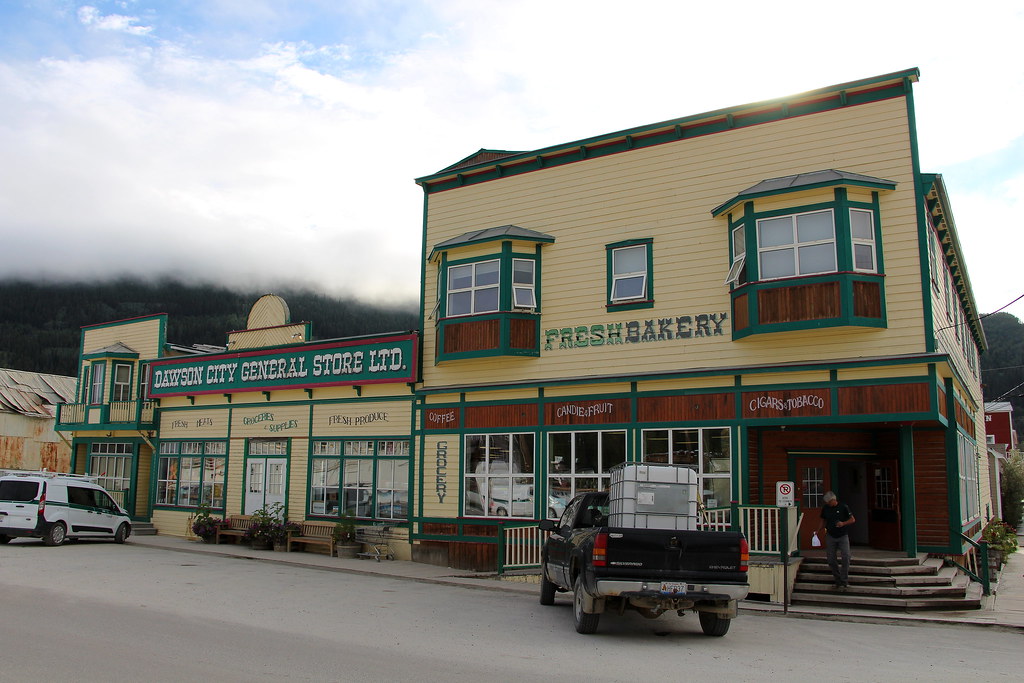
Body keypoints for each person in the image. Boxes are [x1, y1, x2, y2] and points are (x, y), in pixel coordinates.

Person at [815, 491, 856, 589]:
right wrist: (818, 530)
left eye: (829, 502)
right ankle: (837, 580)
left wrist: (843, 523)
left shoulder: (843, 507)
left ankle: (844, 580)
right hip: (830, 535)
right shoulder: (826, 509)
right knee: (831, 559)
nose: (828, 504)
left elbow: (852, 519)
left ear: (833, 500)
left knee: (846, 556)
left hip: (843, 535)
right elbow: (823, 520)